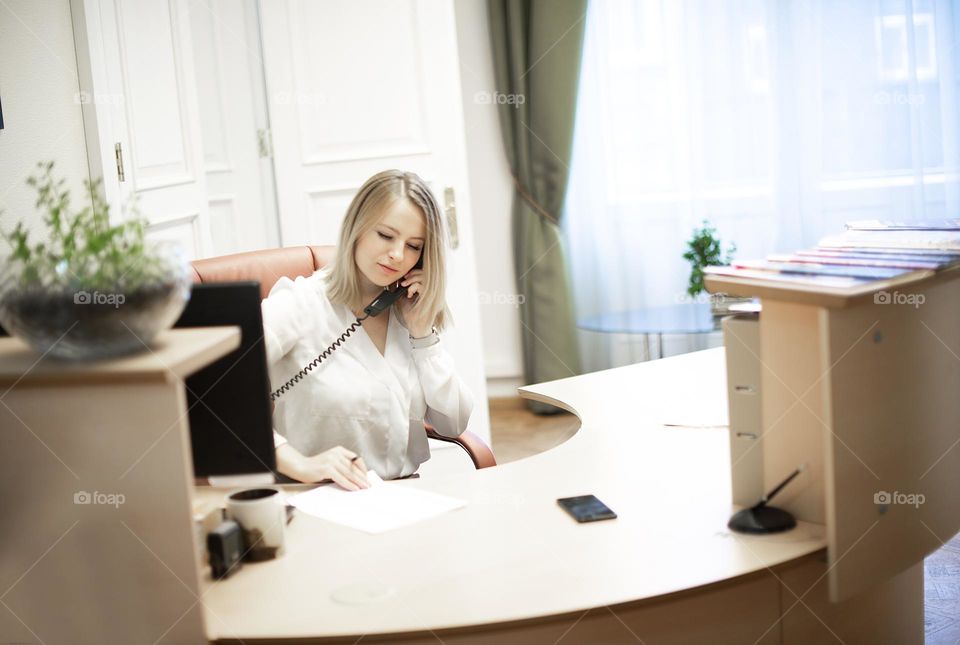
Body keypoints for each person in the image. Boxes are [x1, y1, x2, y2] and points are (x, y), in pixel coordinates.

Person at [261, 170, 473, 490]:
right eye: (386, 236)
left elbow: (453, 422)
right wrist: (295, 462)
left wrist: (423, 336)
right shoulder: (301, 303)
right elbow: (215, 389)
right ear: (357, 228)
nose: (398, 255)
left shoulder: (408, 311)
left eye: (414, 246)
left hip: (402, 495)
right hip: (318, 496)